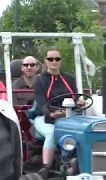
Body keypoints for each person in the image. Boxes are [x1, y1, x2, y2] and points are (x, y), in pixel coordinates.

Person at [32, 48, 85, 178]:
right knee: (51, 132)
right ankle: (46, 167)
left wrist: (80, 101)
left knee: (85, 131)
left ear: (60, 61)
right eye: (51, 59)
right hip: (46, 118)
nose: (54, 62)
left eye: (57, 59)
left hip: (69, 117)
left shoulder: (69, 78)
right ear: (45, 61)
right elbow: (41, 103)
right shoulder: (40, 80)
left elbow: (75, 96)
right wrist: (51, 114)